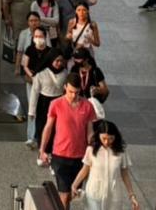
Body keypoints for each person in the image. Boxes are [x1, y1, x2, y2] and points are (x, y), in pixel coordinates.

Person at [40, 73, 98, 209]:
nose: (73, 95)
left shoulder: (87, 106)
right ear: (65, 87)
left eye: (76, 92)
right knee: (65, 195)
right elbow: (48, 127)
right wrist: (42, 149)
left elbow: (90, 131)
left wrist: (93, 147)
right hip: (60, 156)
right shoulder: (56, 104)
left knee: (73, 194)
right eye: (71, 91)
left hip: (80, 157)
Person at [71, 120, 140, 210]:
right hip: (94, 193)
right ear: (98, 135)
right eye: (104, 138)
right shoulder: (91, 150)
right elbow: (85, 169)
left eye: (111, 138)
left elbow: (125, 174)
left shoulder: (121, 152)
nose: (107, 142)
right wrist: (74, 185)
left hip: (114, 194)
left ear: (115, 137)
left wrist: (132, 195)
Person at [30, 50, 67, 158]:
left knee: (56, 127)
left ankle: (53, 151)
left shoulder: (65, 72)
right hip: (44, 103)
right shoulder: (41, 73)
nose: (59, 63)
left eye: (61, 61)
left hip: (58, 101)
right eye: (57, 61)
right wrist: (31, 111)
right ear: (50, 60)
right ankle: (43, 151)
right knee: (43, 126)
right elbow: (35, 92)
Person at [22, 26, 52, 149]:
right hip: (32, 83)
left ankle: (40, 135)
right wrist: (32, 76)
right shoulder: (30, 49)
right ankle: (30, 137)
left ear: (45, 37)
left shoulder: (50, 51)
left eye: (40, 36)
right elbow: (25, 65)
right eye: (36, 36)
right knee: (32, 107)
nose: (38, 39)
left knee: (43, 110)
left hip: (45, 85)